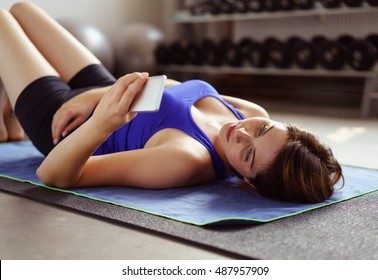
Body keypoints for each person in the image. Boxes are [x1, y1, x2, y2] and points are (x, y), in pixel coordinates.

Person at [0, 2, 343, 203]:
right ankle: (9, 102)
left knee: (2, 20)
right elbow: (175, 87)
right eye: (262, 130)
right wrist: (98, 95)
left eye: (248, 154)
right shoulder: (253, 113)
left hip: (64, 125)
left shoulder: (185, 160)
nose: (241, 132)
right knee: (23, 8)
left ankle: (17, 108)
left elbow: (53, 175)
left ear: (247, 181)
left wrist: (100, 121)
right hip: (108, 90)